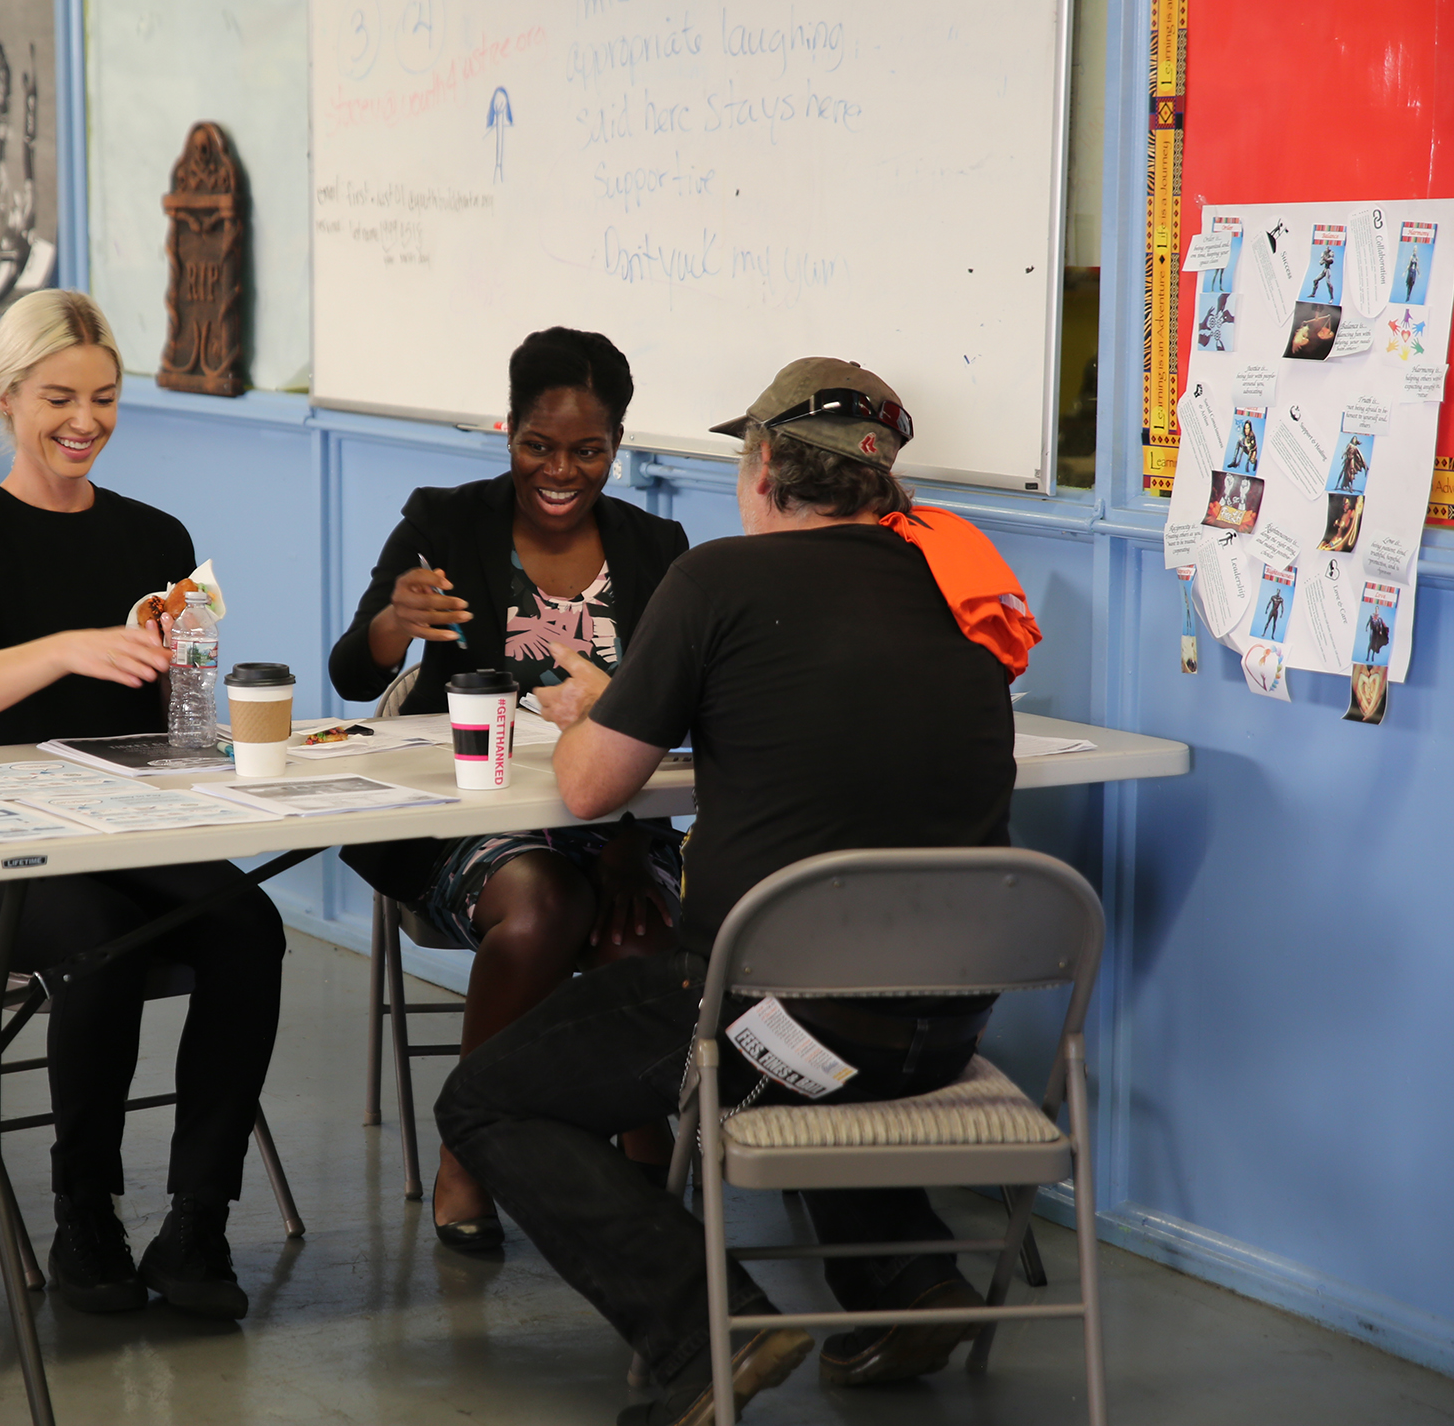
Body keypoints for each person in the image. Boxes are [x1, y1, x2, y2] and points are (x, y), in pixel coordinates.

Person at [436, 358, 1035, 1425]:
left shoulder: (717, 581)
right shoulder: (963, 589)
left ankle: (698, 1335)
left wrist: (599, 706)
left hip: (775, 1031)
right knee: (824, 996)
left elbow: (586, 792)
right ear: (882, 482)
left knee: (487, 1096)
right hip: (943, 1030)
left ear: (761, 467)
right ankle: (903, 1288)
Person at [0, 289, 286, 1321]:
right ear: (6, 396)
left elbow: (188, 712)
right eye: (60, 397)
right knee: (98, 940)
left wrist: (205, 684)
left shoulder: (153, 535)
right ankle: (86, 1214)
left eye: (105, 399)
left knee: (248, 925)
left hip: (127, 823)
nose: (85, 421)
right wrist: (67, 647)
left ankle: (198, 1219)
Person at [329, 327, 692, 1252]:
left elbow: (675, 716)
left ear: (618, 443)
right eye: (538, 444)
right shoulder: (444, 521)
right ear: (508, 431)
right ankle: (468, 1146)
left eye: (588, 450)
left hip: (614, 822)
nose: (560, 470)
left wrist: (622, 843)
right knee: (540, 906)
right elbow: (350, 677)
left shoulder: (658, 546)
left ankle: (640, 1140)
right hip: (469, 827)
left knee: (639, 926)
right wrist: (392, 623)